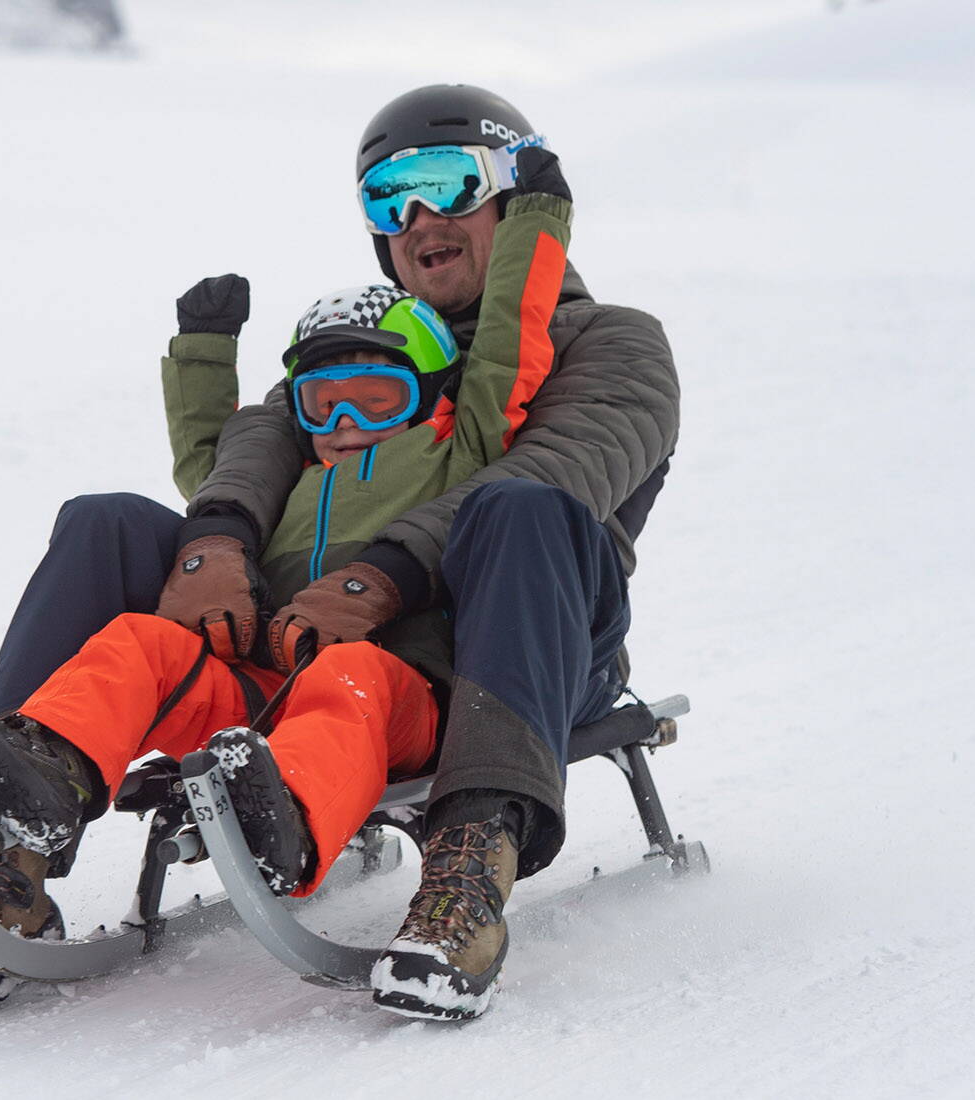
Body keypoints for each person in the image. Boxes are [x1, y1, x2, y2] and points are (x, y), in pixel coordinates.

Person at [159, 84, 677, 1020]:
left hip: (528, 647)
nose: (418, 218)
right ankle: (13, 821)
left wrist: (381, 573)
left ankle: (469, 865)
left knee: (521, 507)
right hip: (336, 650)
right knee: (113, 523)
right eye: (388, 197)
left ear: (512, 202)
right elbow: (258, 443)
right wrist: (216, 543)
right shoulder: (364, 356)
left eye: (447, 184)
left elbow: (561, 472)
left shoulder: (613, 341)